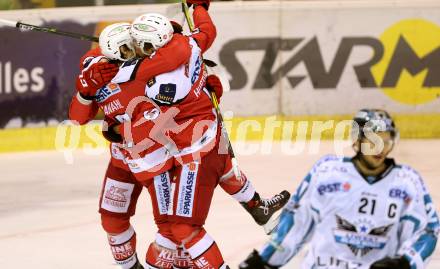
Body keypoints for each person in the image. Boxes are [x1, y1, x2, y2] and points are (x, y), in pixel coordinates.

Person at [69, 9, 289, 269]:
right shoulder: (98, 65)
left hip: (155, 160)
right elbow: (77, 117)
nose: (137, 53)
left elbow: (160, 118)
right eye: (129, 50)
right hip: (122, 159)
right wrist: (85, 90)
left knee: (172, 227)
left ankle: (253, 209)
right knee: (112, 220)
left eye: (137, 47)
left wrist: (114, 129)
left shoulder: (151, 73)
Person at [239, 109, 439, 269]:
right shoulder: (327, 173)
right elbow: (296, 223)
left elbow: (428, 230)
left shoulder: (407, 182)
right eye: (373, 140)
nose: (380, 148)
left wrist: (405, 263)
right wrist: (264, 260)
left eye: (386, 140)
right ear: (357, 140)